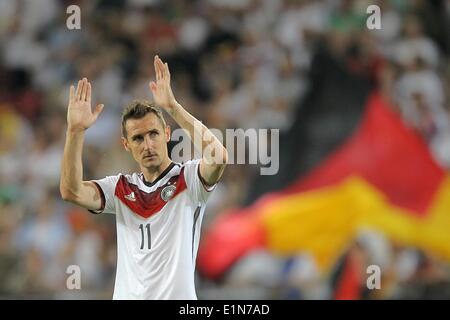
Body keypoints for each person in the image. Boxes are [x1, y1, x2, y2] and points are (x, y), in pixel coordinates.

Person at [59, 55, 228, 299]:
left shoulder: (188, 180)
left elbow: (219, 157)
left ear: (167, 134)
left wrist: (173, 107)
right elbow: (71, 191)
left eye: (153, 134)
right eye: (138, 138)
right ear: (126, 145)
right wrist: (75, 131)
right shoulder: (119, 188)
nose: (148, 144)